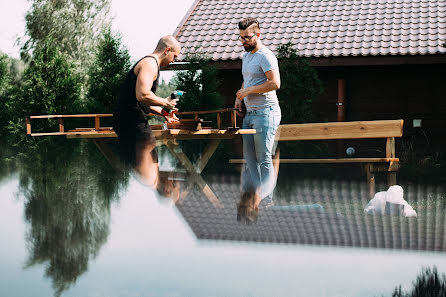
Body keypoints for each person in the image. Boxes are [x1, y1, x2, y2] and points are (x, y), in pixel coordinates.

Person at [113, 35, 181, 194]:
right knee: (148, 151)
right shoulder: (150, 64)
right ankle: (155, 191)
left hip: (129, 118)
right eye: (175, 56)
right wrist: (166, 103)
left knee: (142, 158)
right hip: (130, 119)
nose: (174, 60)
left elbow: (142, 102)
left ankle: (151, 191)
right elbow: (142, 95)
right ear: (167, 50)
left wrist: (164, 113)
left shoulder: (151, 64)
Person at [234, 18, 282, 208]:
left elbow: (275, 83)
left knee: (263, 158)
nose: (243, 41)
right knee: (250, 159)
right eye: (241, 38)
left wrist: (248, 92)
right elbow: (248, 80)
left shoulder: (266, 56)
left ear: (258, 35)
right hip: (250, 114)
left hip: (266, 113)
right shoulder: (246, 57)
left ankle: (266, 200)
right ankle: (254, 198)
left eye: (247, 38)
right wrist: (239, 97)